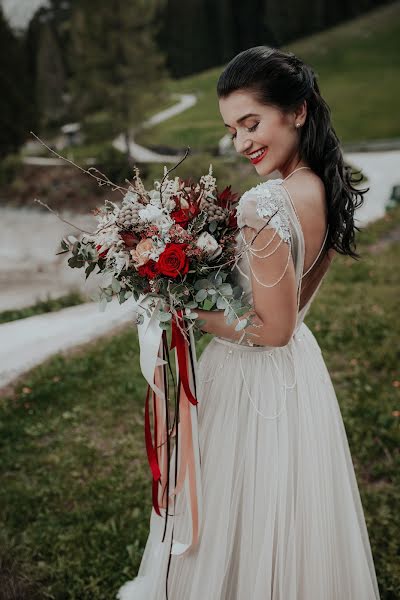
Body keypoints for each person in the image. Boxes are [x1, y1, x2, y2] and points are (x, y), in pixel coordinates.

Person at [116, 46, 381, 599]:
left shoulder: (264, 205)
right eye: (233, 129)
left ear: (298, 111)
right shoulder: (324, 188)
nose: (241, 143)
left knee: (234, 510)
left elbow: (270, 327)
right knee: (282, 513)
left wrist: (185, 308)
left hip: (252, 380)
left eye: (251, 123)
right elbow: (295, 305)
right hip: (298, 377)